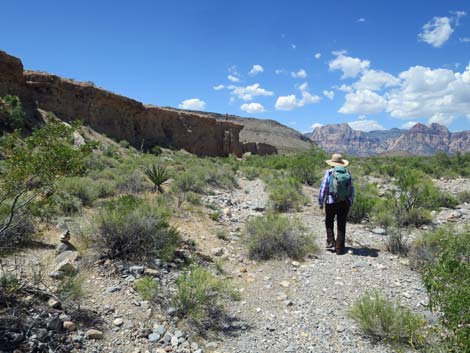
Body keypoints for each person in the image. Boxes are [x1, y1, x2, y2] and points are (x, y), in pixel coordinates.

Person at [318, 153, 355, 255]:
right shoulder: (348, 173)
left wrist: (321, 202)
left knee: (329, 221)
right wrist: (350, 201)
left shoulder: (329, 173)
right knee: (341, 224)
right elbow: (352, 189)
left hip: (331, 201)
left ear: (332, 163)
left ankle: (330, 242)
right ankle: (339, 249)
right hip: (344, 202)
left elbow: (323, 188)